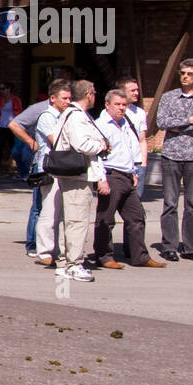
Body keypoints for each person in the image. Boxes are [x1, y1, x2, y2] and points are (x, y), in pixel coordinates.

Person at [93, 89, 165, 269]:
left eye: (124, 105)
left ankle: (139, 256)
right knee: (106, 218)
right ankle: (104, 256)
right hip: (110, 174)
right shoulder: (100, 125)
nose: (121, 108)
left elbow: (131, 149)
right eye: (117, 104)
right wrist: (101, 179)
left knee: (137, 217)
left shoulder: (126, 123)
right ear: (107, 105)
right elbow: (95, 156)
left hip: (127, 175)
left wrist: (134, 171)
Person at [155, 58, 193, 261]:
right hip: (171, 154)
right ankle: (169, 245)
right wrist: (189, 120)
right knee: (170, 202)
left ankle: (190, 247)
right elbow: (162, 122)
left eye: (190, 73)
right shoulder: (168, 97)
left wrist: (177, 126)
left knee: (192, 203)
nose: (185, 77)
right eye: (182, 73)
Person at [52, 80, 109, 282]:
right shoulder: (76, 116)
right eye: (94, 92)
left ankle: (64, 262)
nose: (95, 96)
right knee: (77, 221)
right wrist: (101, 145)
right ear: (88, 94)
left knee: (69, 220)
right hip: (77, 175)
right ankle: (73, 264)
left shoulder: (70, 114)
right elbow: (81, 144)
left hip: (72, 174)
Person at [32, 80, 74, 265]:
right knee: (49, 211)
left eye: (70, 98)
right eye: (64, 98)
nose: (68, 102)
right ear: (53, 98)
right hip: (49, 169)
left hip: (65, 169)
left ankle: (61, 250)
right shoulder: (47, 117)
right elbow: (57, 141)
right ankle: (44, 252)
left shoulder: (67, 116)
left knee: (63, 213)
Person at [116, 76, 149, 198]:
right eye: (132, 90)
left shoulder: (139, 112)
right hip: (120, 163)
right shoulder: (112, 111)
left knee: (136, 199)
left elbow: (142, 139)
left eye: (137, 90)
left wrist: (144, 163)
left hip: (137, 163)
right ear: (122, 92)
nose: (136, 93)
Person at [0, 83, 23, 174]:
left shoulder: (15, 99)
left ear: (9, 89)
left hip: (12, 126)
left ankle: (20, 169)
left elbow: (20, 112)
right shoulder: (0, 100)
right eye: (1, 89)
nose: (2, 91)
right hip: (2, 126)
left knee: (14, 148)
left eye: (3, 89)